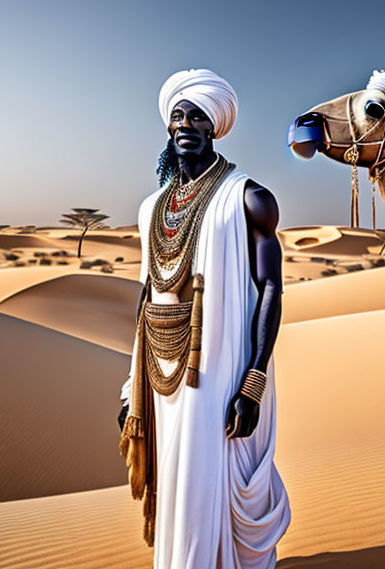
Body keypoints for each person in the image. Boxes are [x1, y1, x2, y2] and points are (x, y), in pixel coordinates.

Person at [118, 69, 290, 568]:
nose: (185, 124)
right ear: (168, 129)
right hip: (161, 376)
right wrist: (132, 389)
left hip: (220, 370)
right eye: (177, 116)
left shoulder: (249, 198)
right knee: (175, 483)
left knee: (209, 478)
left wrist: (252, 382)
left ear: (215, 124)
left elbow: (272, 288)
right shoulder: (151, 209)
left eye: (197, 115)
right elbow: (147, 294)